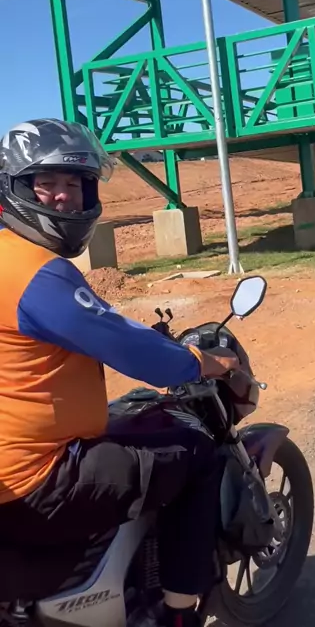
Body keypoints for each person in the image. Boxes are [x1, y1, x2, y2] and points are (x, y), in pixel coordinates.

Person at [0, 118, 239, 627]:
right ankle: (180, 611)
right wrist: (199, 361)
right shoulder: (35, 273)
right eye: (46, 183)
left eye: (74, 184)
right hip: (37, 475)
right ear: (15, 189)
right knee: (196, 453)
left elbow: (95, 324)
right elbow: (132, 350)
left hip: (13, 460)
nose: (63, 197)